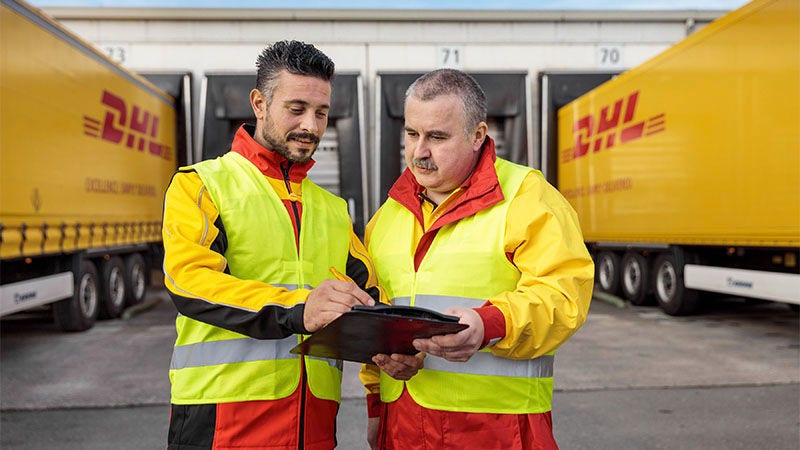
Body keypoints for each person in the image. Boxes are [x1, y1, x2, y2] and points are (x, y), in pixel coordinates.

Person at [162, 40, 380, 450]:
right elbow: (189, 281)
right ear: (259, 104)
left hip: (314, 427)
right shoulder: (201, 184)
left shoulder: (333, 210)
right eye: (297, 109)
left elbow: (371, 297)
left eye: (322, 112)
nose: (311, 126)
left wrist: (397, 345)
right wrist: (299, 307)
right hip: (223, 424)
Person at [361, 68, 594, 450]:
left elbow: (564, 294)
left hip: (499, 432)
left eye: (437, 137)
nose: (419, 152)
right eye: (412, 134)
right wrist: (376, 407)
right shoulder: (387, 216)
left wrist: (490, 324)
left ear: (477, 135)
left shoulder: (527, 196)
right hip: (402, 427)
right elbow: (375, 318)